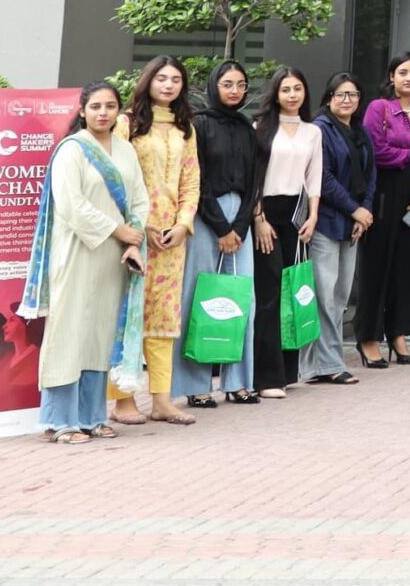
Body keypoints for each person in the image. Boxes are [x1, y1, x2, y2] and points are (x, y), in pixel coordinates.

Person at [21, 82, 147, 444]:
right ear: (82, 110)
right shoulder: (71, 151)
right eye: (95, 106)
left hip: (114, 256)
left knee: (99, 333)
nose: (103, 113)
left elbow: (139, 199)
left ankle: (92, 417)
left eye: (110, 106)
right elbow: (72, 205)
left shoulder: (125, 151)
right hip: (77, 251)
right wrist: (117, 229)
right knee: (70, 330)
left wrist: (133, 237)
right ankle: (60, 421)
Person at [109, 56, 197, 427]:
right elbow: (115, 180)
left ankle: (161, 399)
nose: (168, 85)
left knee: (164, 317)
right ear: (148, 81)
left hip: (172, 238)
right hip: (134, 236)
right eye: (161, 78)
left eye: (176, 79)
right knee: (128, 314)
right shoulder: (126, 124)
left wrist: (183, 224)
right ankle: (123, 399)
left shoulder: (184, 127)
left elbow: (191, 181)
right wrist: (137, 225)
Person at [177, 62, 262, 404]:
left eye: (241, 85)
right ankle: (194, 386)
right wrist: (221, 227)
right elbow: (198, 180)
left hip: (240, 219)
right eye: (228, 84)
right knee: (199, 298)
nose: (235, 91)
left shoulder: (246, 127)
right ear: (215, 85)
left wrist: (239, 225)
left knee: (243, 300)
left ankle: (237, 381)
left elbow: (255, 179)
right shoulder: (199, 124)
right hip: (204, 217)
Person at [357, 52, 410, 368]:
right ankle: (368, 337)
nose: (409, 78)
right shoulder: (379, 108)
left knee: (406, 268)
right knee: (376, 268)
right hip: (383, 193)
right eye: (403, 72)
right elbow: (375, 151)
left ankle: (397, 333)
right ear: (391, 76)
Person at [249, 67, 320, 399]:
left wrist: (313, 216)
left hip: (297, 215)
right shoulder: (261, 128)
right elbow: (254, 178)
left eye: (298, 89)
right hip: (266, 213)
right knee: (268, 294)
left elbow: (314, 178)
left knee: (293, 291)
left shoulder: (312, 132)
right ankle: (266, 377)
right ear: (275, 93)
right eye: (286, 89)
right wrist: (259, 217)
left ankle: (288, 371)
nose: (292, 95)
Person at [303, 73, 375, 384]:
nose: (347, 100)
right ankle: (328, 364)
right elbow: (323, 178)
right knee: (324, 294)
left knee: (342, 295)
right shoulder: (321, 129)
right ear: (329, 97)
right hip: (327, 222)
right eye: (341, 94)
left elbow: (372, 175)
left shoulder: (359, 131)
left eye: (353, 94)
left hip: (353, 223)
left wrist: (364, 213)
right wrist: (353, 209)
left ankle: (321, 362)